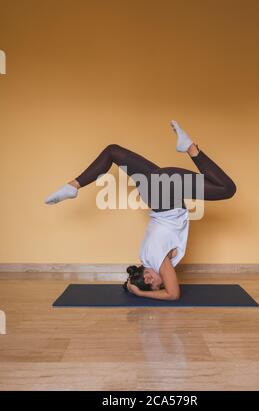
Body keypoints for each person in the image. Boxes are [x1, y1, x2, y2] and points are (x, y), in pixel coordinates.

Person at [45, 120, 236, 300]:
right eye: (150, 284)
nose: (149, 279)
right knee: (113, 151)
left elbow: (173, 294)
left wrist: (140, 293)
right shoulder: (146, 256)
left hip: (164, 193)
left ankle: (189, 147)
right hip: (156, 191)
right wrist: (135, 286)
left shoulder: (155, 260)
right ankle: (73, 186)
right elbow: (166, 287)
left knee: (227, 189)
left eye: (145, 280)